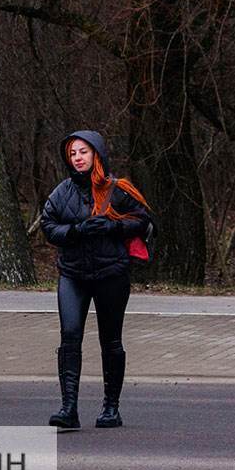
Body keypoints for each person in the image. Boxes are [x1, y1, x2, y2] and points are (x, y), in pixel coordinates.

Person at [41, 130, 151, 430]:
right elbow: (48, 226)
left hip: (111, 273)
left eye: (83, 152)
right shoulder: (61, 192)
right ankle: (68, 408)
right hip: (73, 275)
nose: (77, 158)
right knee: (70, 335)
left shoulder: (118, 189)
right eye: (73, 153)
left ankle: (110, 409)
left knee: (111, 340)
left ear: (97, 154)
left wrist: (114, 227)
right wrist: (75, 231)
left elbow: (143, 220)